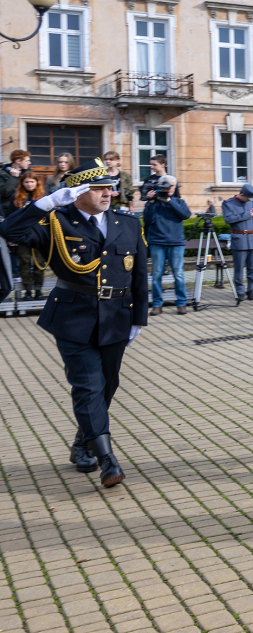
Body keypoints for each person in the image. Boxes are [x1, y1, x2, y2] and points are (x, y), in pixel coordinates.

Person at [0, 161, 148, 488]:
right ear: (78, 192)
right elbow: (10, 231)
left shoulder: (126, 222)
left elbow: (138, 273)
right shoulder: (55, 221)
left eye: (110, 187)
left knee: (108, 385)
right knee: (88, 386)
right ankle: (107, 458)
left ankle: (83, 442)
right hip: (73, 316)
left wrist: (139, 317)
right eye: (99, 188)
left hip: (116, 315)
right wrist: (47, 202)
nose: (109, 193)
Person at [143, 176, 191, 315]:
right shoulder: (153, 203)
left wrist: (169, 201)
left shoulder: (179, 202)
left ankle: (181, 303)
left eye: (170, 186)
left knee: (179, 274)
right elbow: (146, 221)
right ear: (160, 186)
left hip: (176, 243)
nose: (168, 188)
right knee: (156, 274)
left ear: (174, 188)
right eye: (165, 186)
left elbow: (185, 215)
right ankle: (157, 304)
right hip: (157, 242)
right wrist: (151, 202)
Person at [222, 184, 253, 302]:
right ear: (242, 194)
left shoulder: (251, 202)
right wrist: (247, 214)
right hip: (239, 239)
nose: (249, 200)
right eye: (247, 198)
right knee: (239, 268)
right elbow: (229, 219)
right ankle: (240, 291)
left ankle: (251, 290)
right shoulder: (228, 203)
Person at [11, 173, 47, 299]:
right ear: (22, 183)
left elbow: (48, 218)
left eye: (32, 182)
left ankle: (38, 290)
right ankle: (27, 290)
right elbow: (12, 220)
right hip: (22, 236)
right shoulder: (16, 198)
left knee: (39, 263)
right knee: (24, 263)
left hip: (38, 236)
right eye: (26, 182)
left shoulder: (43, 197)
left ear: (37, 183)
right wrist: (12, 237)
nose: (29, 184)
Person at [0, 149, 32, 218]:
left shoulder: (29, 173)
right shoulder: (2, 173)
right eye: (27, 161)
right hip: (8, 211)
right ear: (18, 161)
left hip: (27, 209)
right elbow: (4, 192)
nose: (29, 163)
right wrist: (14, 178)